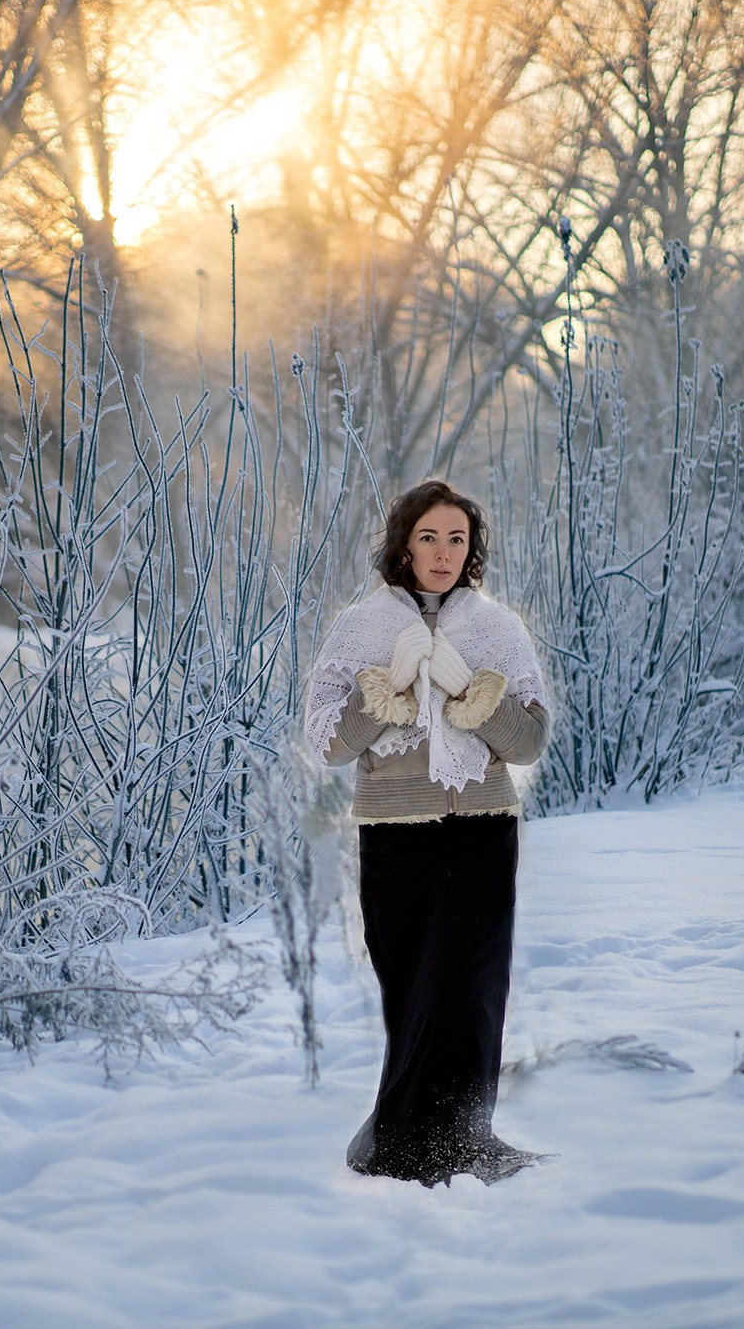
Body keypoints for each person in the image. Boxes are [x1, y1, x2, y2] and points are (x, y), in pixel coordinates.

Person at [303, 479, 552, 1186]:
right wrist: (391, 682)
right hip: (395, 834)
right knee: (413, 988)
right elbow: (328, 743)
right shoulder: (360, 629)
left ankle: (464, 1139)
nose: (443, 552)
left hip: (482, 831)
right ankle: (404, 1142)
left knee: (471, 990)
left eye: (457, 539)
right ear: (403, 546)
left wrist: (471, 689)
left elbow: (529, 741)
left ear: (472, 551)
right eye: (429, 537)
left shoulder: (499, 630)